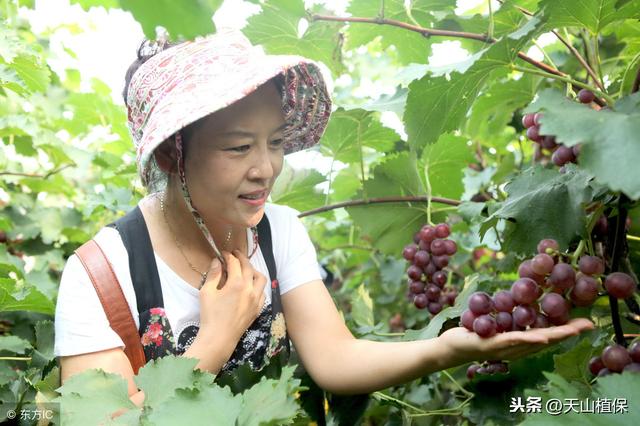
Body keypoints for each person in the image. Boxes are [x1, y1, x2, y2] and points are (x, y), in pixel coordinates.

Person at [54, 29, 593, 412]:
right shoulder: (99, 275)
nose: (265, 169)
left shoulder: (278, 230)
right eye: (239, 147)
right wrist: (215, 339)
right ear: (172, 154)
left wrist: (446, 348)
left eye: (276, 143)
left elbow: (333, 359)